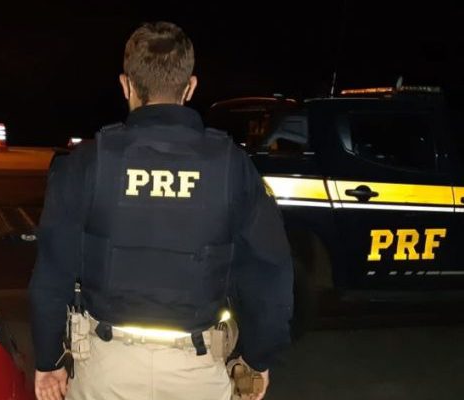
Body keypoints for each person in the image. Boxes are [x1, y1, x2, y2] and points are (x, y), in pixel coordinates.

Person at [29, 21, 293, 400]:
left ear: (126, 85)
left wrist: (49, 360)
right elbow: (269, 273)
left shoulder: (89, 162)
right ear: (190, 87)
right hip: (198, 372)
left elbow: (52, 273)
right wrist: (257, 357)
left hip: (106, 370)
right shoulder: (232, 166)